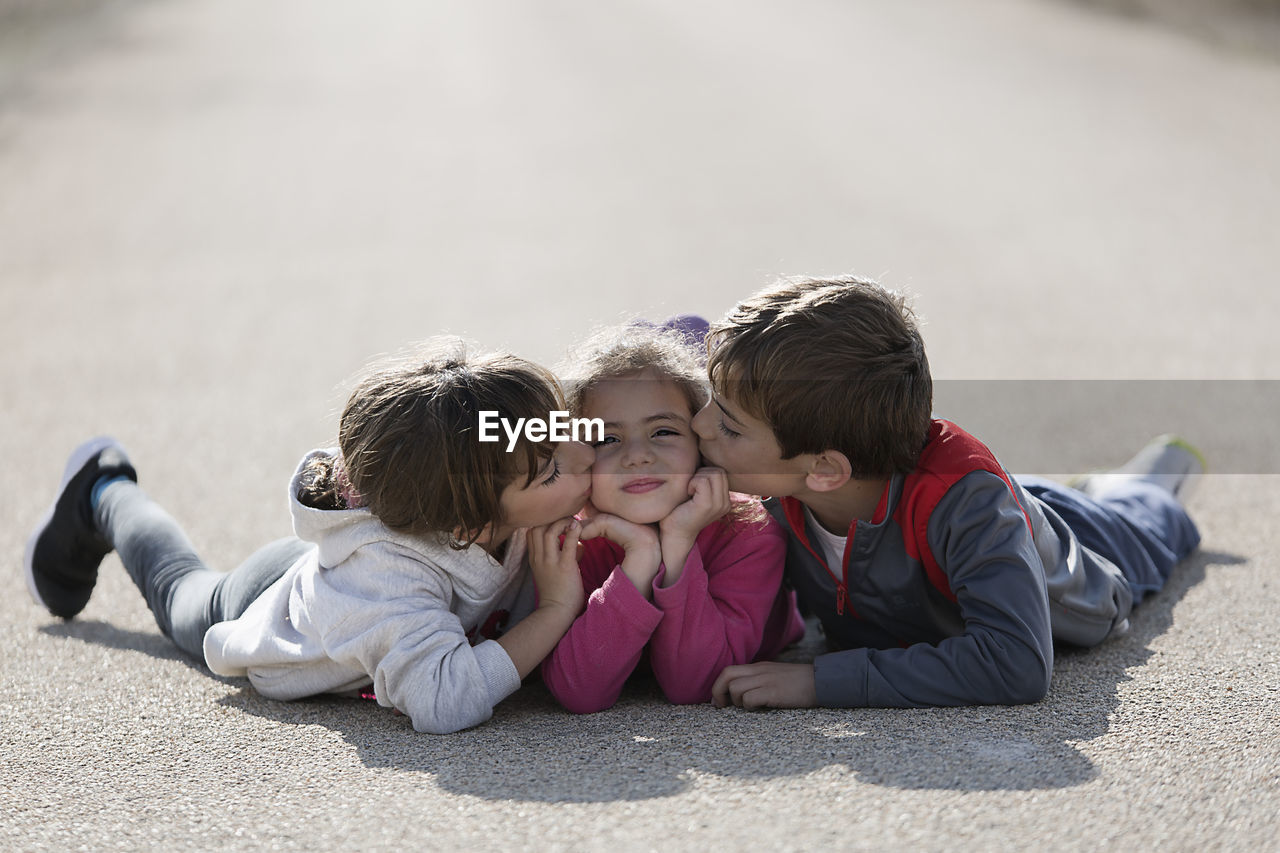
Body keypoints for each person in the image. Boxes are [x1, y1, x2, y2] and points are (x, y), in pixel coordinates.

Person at [24, 341, 595, 734]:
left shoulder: (495, 484)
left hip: (342, 572)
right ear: (468, 527)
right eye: (551, 469)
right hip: (268, 603)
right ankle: (104, 489)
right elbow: (441, 700)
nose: (584, 455)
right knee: (178, 587)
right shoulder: (387, 577)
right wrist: (554, 610)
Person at [693, 275, 1202, 710]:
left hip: (1086, 548)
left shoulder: (968, 506)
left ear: (824, 470)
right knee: (1015, 495)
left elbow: (1015, 663)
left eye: (730, 427)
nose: (700, 425)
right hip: (990, 500)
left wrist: (819, 681)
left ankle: (1157, 468)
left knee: (1143, 513)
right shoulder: (774, 481)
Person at [540, 326, 804, 713]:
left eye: (663, 431)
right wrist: (640, 558)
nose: (637, 456)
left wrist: (678, 544)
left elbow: (695, 685)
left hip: (769, 625)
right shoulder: (572, 539)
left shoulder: (750, 529)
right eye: (607, 439)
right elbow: (578, 690)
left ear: (701, 445)